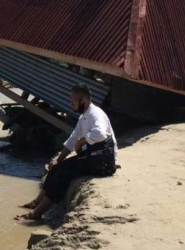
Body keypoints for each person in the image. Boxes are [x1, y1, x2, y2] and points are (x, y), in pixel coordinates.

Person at [15, 84, 118, 221]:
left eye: (73, 101)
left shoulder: (95, 113)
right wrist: (58, 159)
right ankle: (36, 202)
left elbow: (100, 134)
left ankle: (37, 214)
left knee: (63, 174)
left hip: (103, 160)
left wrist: (82, 141)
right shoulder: (83, 117)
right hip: (94, 156)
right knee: (57, 167)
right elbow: (72, 140)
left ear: (83, 100)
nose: (71, 104)